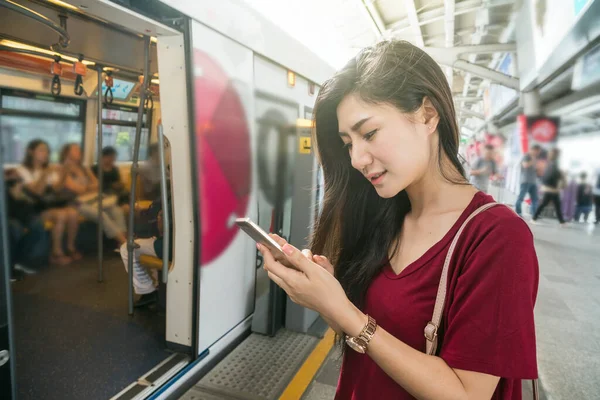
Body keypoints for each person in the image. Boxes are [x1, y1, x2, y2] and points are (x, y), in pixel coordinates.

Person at [256, 40, 538, 400]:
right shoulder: (384, 215)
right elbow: (370, 340)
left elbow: (467, 394)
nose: (357, 158)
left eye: (369, 133)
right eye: (348, 143)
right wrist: (327, 299)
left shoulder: (498, 237)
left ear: (427, 115)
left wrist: (346, 312)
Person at [15, 140, 80, 265]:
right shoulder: (22, 170)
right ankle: (56, 253)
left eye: (47, 151)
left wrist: (64, 173)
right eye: (41, 150)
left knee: (73, 213)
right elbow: (36, 193)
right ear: (30, 152)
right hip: (32, 208)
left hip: (48, 205)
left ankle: (70, 247)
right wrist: (45, 174)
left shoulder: (48, 169)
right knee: (61, 215)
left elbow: (57, 189)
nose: (46, 154)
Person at [59, 143, 128, 245]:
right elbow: (77, 190)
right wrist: (89, 188)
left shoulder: (84, 168)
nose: (79, 152)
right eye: (75, 150)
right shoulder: (62, 169)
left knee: (116, 210)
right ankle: (124, 243)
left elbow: (98, 184)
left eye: (79, 150)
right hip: (76, 202)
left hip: (92, 199)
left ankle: (120, 244)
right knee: (102, 215)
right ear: (66, 153)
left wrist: (87, 188)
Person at [119, 195, 172, 308]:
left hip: (171, 246)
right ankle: (158, 283)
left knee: (127, 248)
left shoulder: (170, 200)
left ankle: (147, 291)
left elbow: (161, 229)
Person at [5, 168, 49, 279]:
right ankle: (9, 267)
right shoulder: (5, 192)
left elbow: (41, 205)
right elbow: (9, 212)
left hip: (22, 216)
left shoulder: (23, 189)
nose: (17, 182)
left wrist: (26, 199)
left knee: (38, 224)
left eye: (19, 179)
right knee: (15, 227)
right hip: (10, 217)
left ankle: (24, 261)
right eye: (13, 180)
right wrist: (15, 197)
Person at [532, 148, 565, 226]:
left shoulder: (551, 163)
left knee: (555, 204)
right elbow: (553, 175)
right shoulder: (553, 163)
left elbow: (547, 175)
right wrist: (560, 175)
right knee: (546, 204)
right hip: (551, 188)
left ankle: (562, 221)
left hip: (550, 187)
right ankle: (534, 218)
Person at [515, 144, 541, 217]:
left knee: (535, 199)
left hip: (533, 181)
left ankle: (534, 214)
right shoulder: (526, 156)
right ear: (533, 150)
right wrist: (533, 160)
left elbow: (535, 170)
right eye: (537, 151)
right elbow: (525, 165)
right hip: (525, 181)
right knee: (521, 197)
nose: (538, 153)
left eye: (538, 152)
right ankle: (518, 212)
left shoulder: (535, 158)